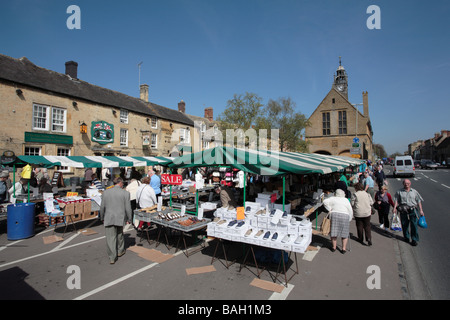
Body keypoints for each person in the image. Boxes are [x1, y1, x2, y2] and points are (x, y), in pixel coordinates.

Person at [99, 177, 132, 264]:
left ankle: (112, 256)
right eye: (123, 183)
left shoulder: (106, 192)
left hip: (109, 217)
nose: (123, 185)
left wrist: (101, 217)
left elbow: (102, 207)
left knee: (110, 238)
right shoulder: (125, 193)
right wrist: (130, 218)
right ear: (120, 183)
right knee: (119, 234)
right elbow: (128, 208)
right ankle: (120, 250)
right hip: (120, 217)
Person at [393, 179, 425, 246]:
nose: (406, 184)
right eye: (405, 183)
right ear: (403, 184)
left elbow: (418, 201)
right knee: (404, 224)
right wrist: (394, 208)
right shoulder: (399, 191)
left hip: (413, 210)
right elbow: (396, 200)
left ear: (410, 184)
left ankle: (414, 239)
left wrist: (421, 210)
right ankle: (406, 237)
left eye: (407, 183)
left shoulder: (414, 191)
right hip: (403, 210)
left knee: (414, 225)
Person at [322, 188, 353, 253]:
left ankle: (334, 247)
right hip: (345, 215)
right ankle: (343, 249)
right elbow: (350, 210)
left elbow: (324, 201)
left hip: (335, 214)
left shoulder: (333, 198)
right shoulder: (346, 200)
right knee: (345, 233)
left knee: (334, 231)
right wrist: (349, 218)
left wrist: (329, 209)